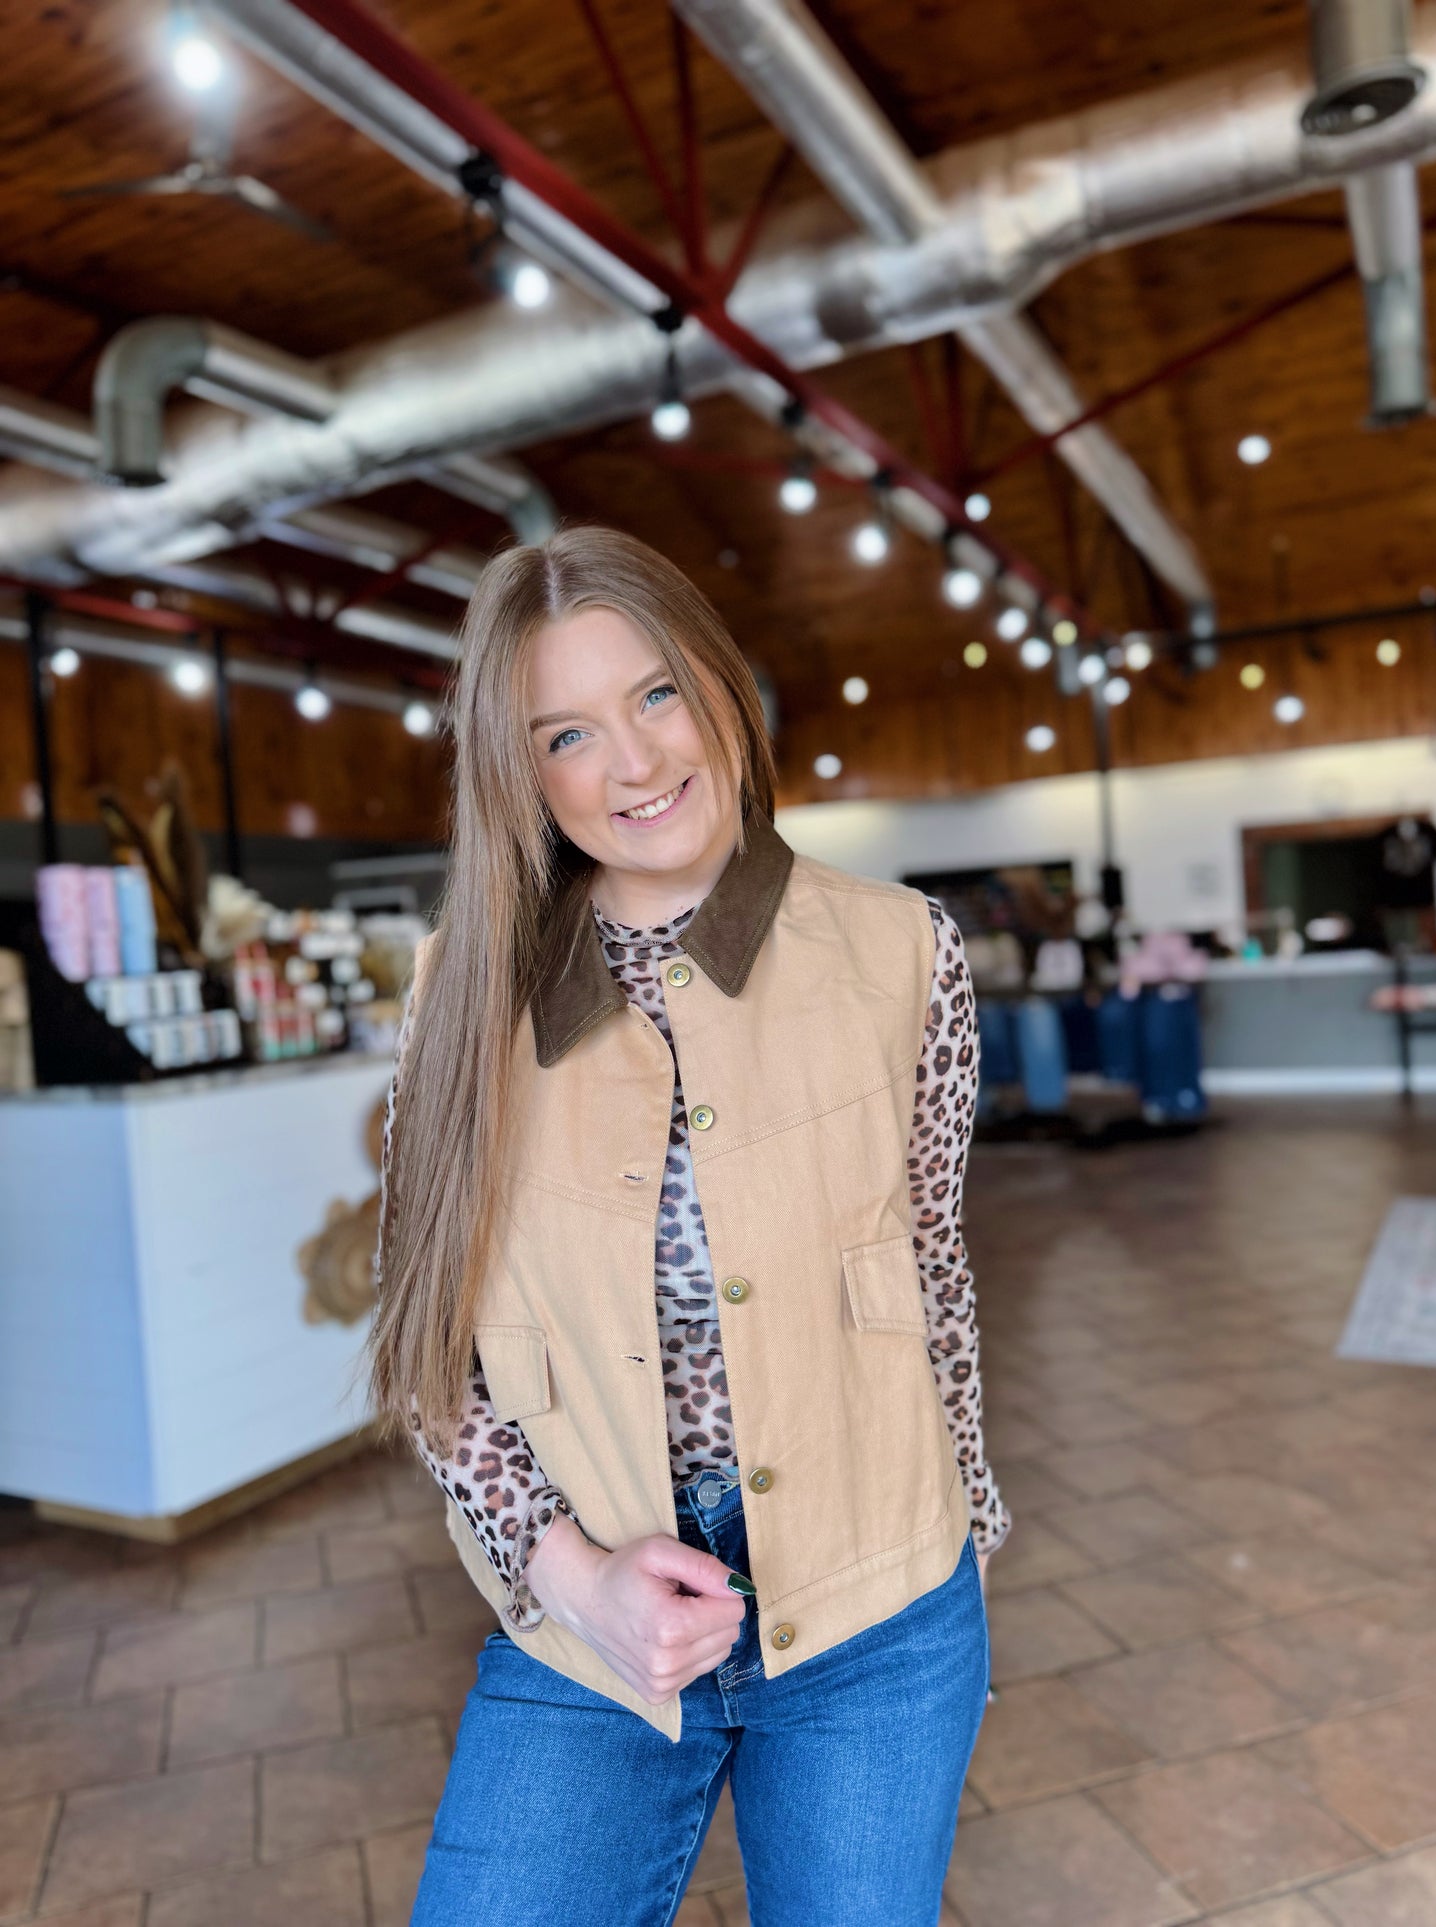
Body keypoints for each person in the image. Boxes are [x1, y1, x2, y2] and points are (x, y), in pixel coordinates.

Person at [374, 526, 1009, 1927]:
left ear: (720, 688)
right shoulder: (461, 995)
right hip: (585, 1624)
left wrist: (962, 1550)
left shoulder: (905, 951)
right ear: (521, 777)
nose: (639, 762)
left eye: (656, 694)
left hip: (875, 1612)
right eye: (568, 734)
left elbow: (933, 1282)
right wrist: (573, 1575)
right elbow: (430, 1350)